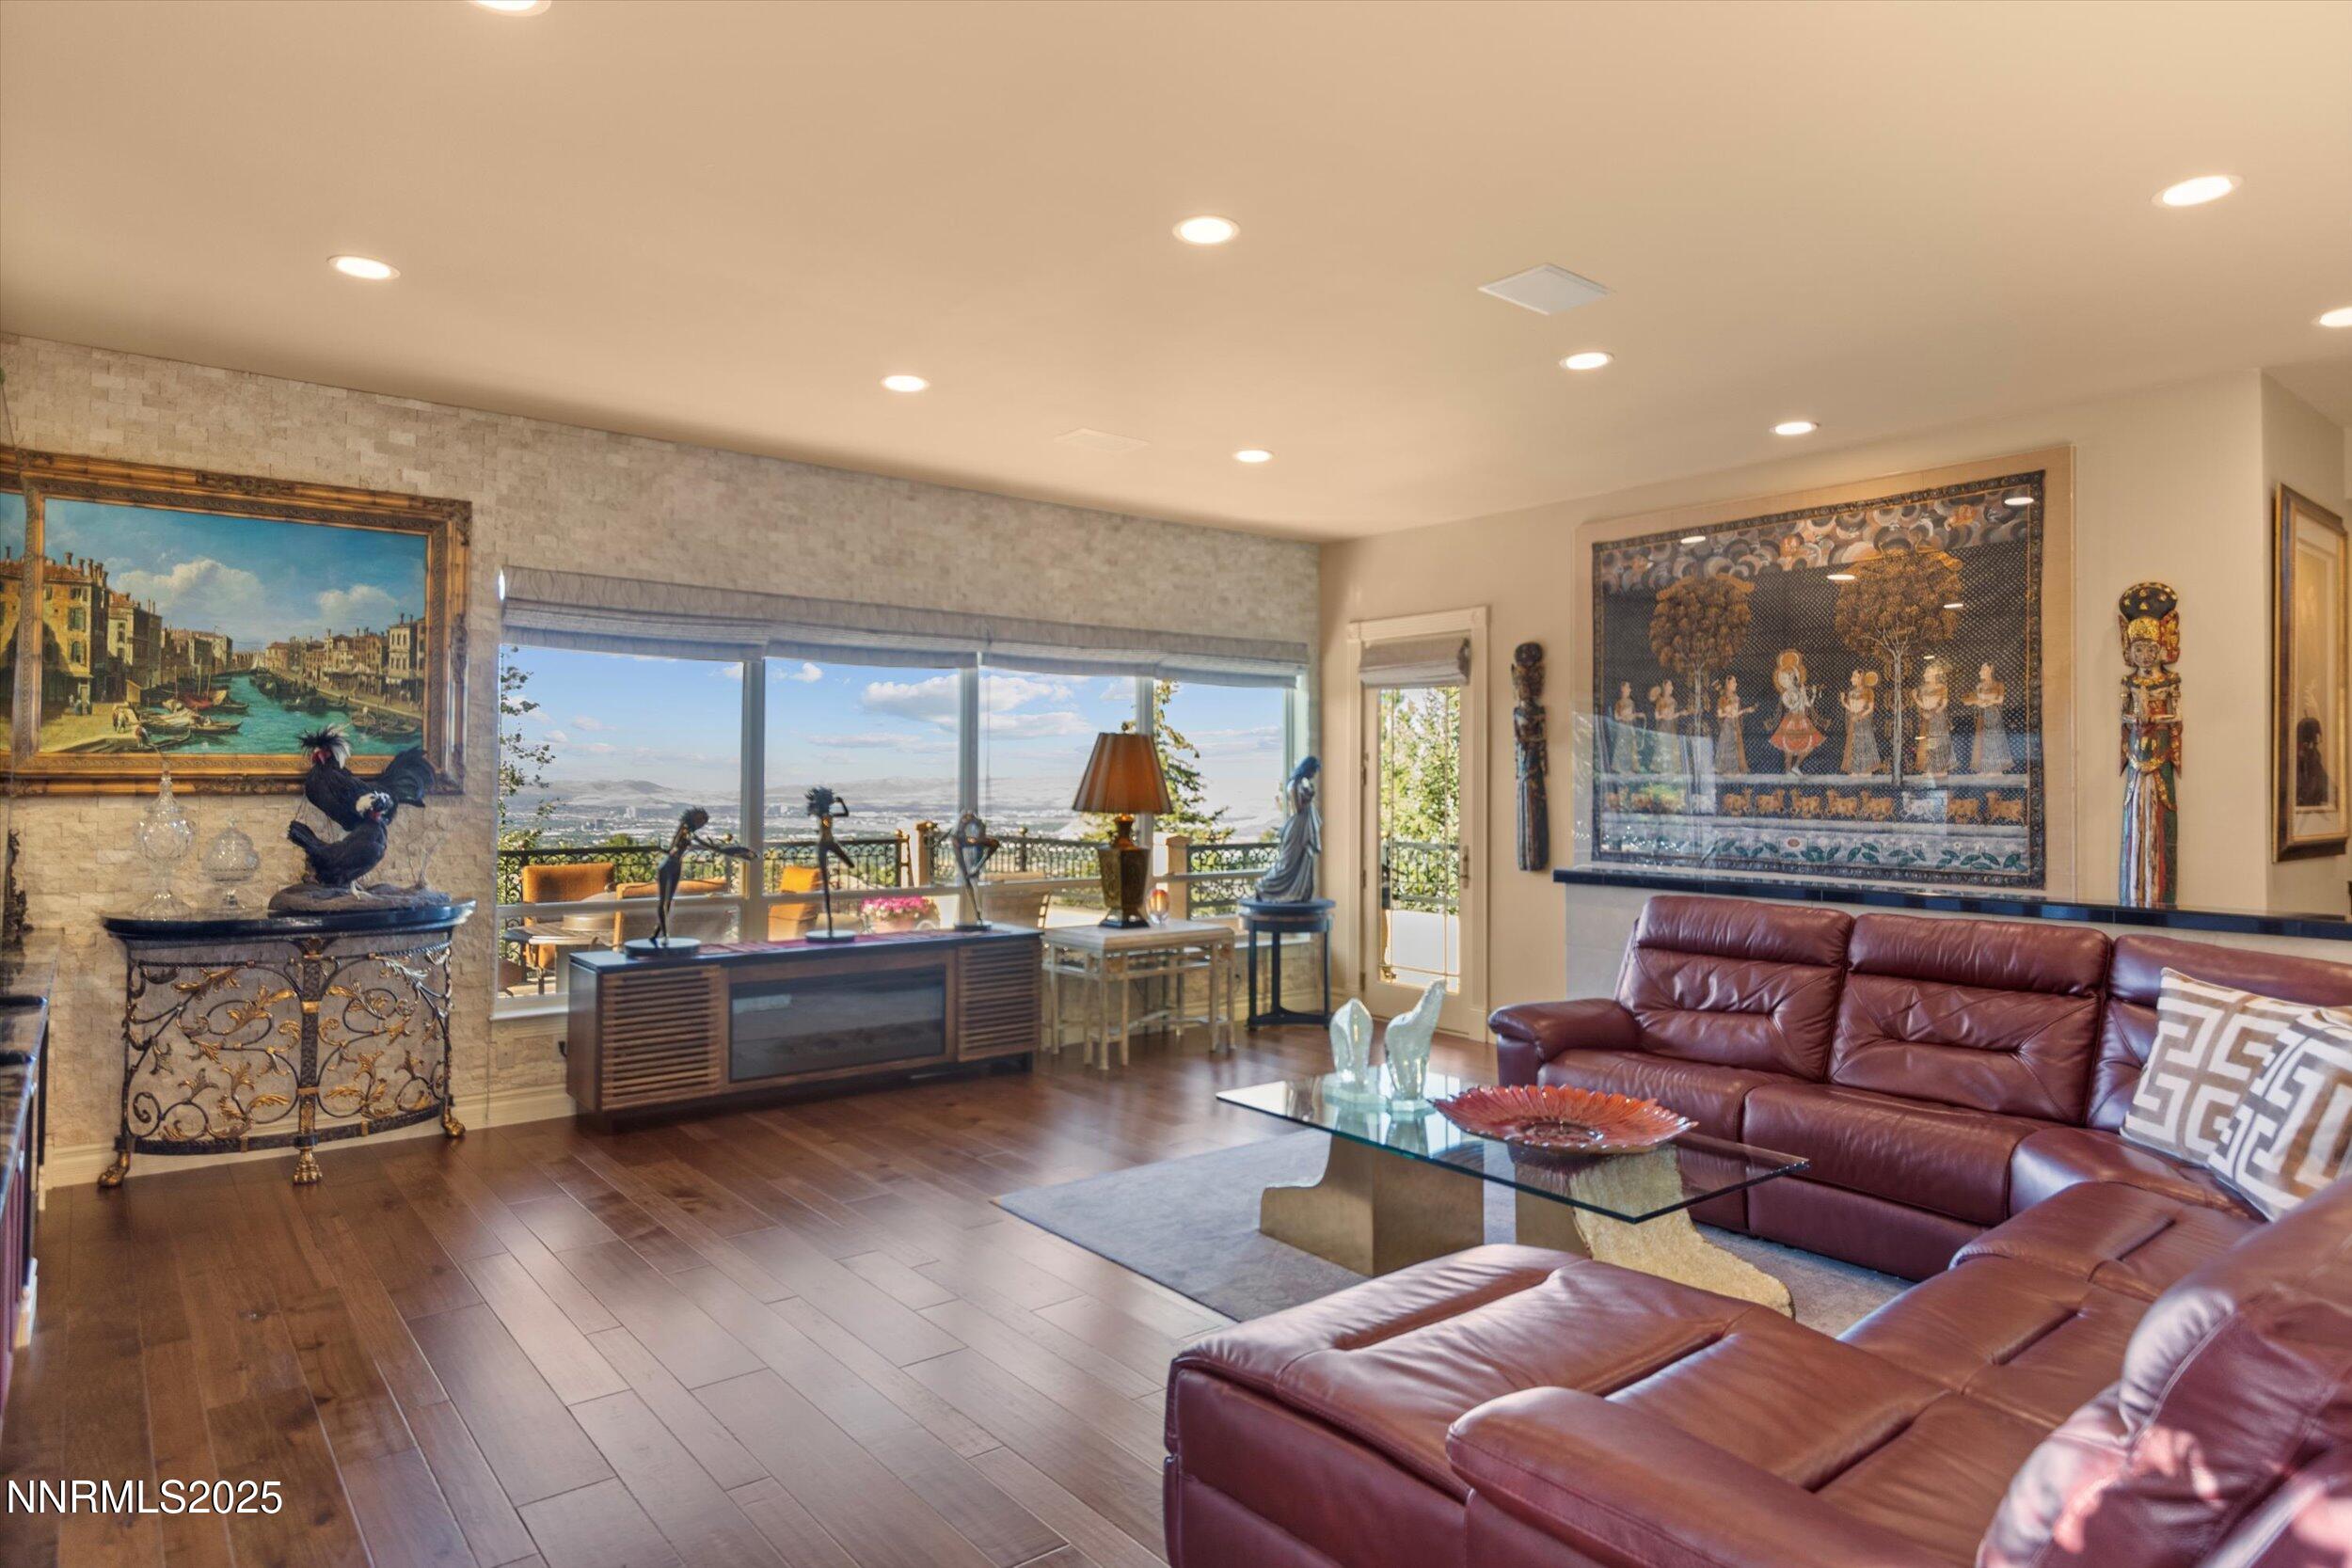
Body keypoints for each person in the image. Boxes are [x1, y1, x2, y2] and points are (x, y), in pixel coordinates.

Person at [1254, 757, 1322, 903]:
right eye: (1313, 771)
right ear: (1308, 769)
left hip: (1305, 825)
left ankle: (1300, 892)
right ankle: (1265, 887)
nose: (1314, 775)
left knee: (1304, 860)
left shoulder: (1300, 784)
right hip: (1298, 827)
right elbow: (1298, 808)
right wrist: (1308, 794)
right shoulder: (1294, 785)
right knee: (1288, 863)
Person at [1767, 651, 1825, 775]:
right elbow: (1791, 706)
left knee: (1809, 746)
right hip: (1792, 720)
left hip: (1803, 720)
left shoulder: (1800, 690)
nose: (1792, 679)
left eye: (1794, 676)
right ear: (1785, 679)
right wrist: (1800, 695)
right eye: (1789, 677)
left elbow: (1808, 704)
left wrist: (1812, 694)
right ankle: (1788, 771)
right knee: (1788, 748)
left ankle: (1796, 766)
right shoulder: (1786, 694)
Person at [1963, 661, 2014, 774]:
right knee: (1982, 741)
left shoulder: (1998, 685)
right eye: (1981, 669)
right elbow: (1977, 701)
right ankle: (1985, 768)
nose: (1981, 672)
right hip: (1983, 715)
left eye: (1984, 669)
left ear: (1991, 670)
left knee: (1994, 740)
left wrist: (1986, 701)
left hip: (1993, 714)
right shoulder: (1979, 686)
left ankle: (1996, 770)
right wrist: (1978, 702)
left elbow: (2000, 700)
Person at [1915, 658, 1956, 777]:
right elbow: (1923, 705)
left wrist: (1933, 713)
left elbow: (1944, 704)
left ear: (1934, 674)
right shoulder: (1922, 689)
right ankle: (1931, 769)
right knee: (1929, 743)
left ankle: (1941, 770)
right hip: (1927, 718)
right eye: (1925, 672)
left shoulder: (1942, 687)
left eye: (1927, 673)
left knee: (1939, 742)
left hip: (1938, 718)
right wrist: (1917, 700)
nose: (1924, 675)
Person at [1839, 670, 1883, 774]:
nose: (1851, 679)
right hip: (1854, 721)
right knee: (1853, 745)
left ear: (1860, 678)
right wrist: (1843, 701)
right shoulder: (1851, 692)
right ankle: (1855, 770)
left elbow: (1870, 709)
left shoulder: (1868, 691)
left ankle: (1866, 771)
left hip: (1863, 721)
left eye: (1854, 676)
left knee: (1864, 745)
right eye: (1852, 676)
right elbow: (1850, 708)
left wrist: (1859, 716)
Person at [1714, 676, 1756, 774]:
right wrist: (1727, 714)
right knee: (1728, 747)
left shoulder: (1736, 698)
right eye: (1733, 682)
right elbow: (1720, 714)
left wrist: (1746, 710)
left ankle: (1734, 770)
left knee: (1735, 747)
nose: (1736, 684)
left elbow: (1736, 713)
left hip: (1735, 724)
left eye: (1735, 682)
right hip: (1727, 725)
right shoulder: (1722, 698)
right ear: (1728, 684)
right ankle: (1727, 771)